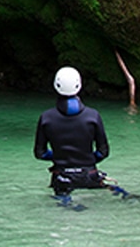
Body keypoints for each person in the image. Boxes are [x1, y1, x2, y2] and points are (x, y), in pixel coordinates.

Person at [33, 67, 110, 201]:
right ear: (78, 85)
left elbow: (40, 153)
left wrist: (59, 156)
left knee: (63, 206)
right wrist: (86, 158)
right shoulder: (93, 116)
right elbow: (103, 151)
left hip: (61, 177)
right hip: (89, 175)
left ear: (56, 86)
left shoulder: (46, 118)